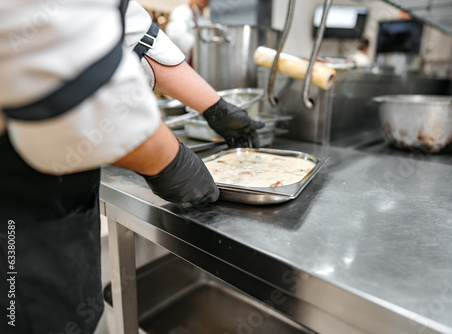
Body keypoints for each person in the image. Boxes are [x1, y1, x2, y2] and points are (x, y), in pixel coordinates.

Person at [0, 0, 261, 333]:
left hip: (57, 199)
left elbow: (134, 32)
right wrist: (169, 160)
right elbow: (60, 88)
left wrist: (214, 106)